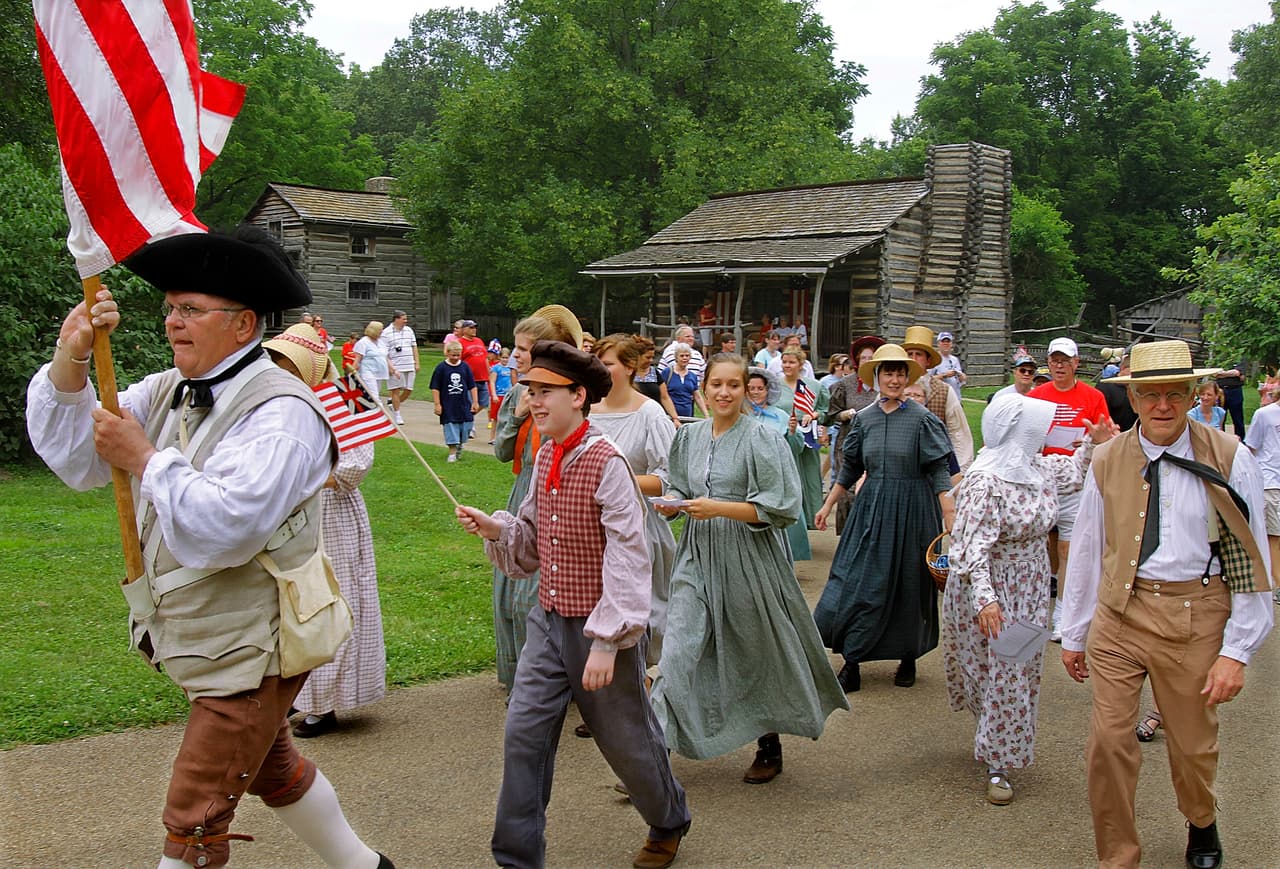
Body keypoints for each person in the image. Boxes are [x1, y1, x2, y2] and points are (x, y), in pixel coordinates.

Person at [25, 227, 392, 868]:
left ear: (244, 322)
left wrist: (144, 457)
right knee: (273, 769)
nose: (172, 323)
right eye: (170, 308)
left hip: (258, 646)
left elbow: (228, 526)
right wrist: (73, 354)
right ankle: (366, 867)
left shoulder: (286, 413)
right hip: (216, 634)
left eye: (191, 310)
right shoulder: (167, 389)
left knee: (195, 810)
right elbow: (80, 458)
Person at [455, 340, 692, 869]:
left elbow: (630, 558)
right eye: (531, 392)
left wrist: (608, 643)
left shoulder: (607, 463)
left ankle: (668, 818)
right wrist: (498, 528)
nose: (534, 403)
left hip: (601, 629)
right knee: (522, 735)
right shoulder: (545, 457)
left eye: (546, 393)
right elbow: (535, 541)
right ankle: (516, 858)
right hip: (548, 621)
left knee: (627, 741)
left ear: (579, 396)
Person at [1059, 340, 1274, 869]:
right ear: (1132, 398)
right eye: (1149, 394)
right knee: (1108, 743)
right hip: (1120, 618)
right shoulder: (1107, 459)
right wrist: (1074, 629)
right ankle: (1118, 857)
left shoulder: (1230, 456)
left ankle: (1201, 820)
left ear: (1194, 394)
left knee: (1192, 748)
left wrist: (1237, 651)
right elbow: (1088, 545)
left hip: (1195, 615)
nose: (1162, 405)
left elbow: (1252, 561)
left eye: (1174, 394)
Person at [651, 354, 848, 784]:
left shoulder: (763, 438)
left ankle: (768, 741)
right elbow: (681, 488)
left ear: (745, 390)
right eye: (716, 385)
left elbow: (780, 508)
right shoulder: (690, 437)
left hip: (749, 558)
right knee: (678, 652)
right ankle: (652, 757)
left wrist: (716, 507)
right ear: (704, 388)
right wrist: (670, 506)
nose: (724, 393)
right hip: (697, 556)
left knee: (755, 651)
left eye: (733, 386)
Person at [943, 394, 1113, 806]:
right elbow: (969, 549)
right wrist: (986, 601)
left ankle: (998, 751)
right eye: (1038, 427)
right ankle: (997, 759)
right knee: (994, 670)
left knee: (1016, 672)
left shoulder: (1036, 466)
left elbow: (1074, 473)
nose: (1045, 433)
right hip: (989, 587)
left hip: (1032, 583)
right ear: (1019, 432)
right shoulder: (985, 480)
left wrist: (1096, 443)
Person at [263, 325, 386, 740]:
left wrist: (301, 476)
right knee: (295, 600)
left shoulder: (346, 394)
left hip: (332, 514)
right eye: (277, 363)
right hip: (288, 517)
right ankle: (301, 692)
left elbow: (356, 464)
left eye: (288, 364)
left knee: (336, 598)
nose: (281, 370)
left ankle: (328, 700)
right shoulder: (278, 402)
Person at [813, 343, 956, 693]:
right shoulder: (864, 419)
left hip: (914, 510)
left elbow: (939, 470)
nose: (894, 378)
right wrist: (828, 504)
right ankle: (853, 661)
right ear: (876, 377)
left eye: (900, 372)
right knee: (858, 580)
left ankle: (908, 656)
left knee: (909, 584)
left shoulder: (923, 420)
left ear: (908, 377)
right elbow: (850, 469)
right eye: (887, 372)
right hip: (872, 507)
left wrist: (950, 515)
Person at [491, 306, 583, 693]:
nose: (516, 355)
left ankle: (544, 682)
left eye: (524, 349)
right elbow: (500, 451)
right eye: (516, 347)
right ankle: (516, 676)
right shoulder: (518, 392)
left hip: (554, 499)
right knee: (507, 589)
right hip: (522, 493)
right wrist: (518, 412)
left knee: (537, 595)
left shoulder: (567, 394)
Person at [591, 333, 678, 663]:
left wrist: (615, 480)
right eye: (597, 362)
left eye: (608, 363)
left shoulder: (650, 414)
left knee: (637, 614)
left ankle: (640, 691)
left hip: (638, 528)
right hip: (591, 529)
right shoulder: (585, 411)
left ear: (630, 367)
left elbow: (668, 479)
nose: (600, 368)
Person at [1028, 336, 1110, 641]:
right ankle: (1036, 611)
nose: (1059, 366)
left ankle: (1063, 615)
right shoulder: (1037, 395)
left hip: (1077, 481)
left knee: (1069, 548)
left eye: (1065, 360)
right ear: (1048, 363)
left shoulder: (1092, 396)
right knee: (1041, 547)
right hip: (1043, 480)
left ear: (1077, 363)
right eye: (1054, 360)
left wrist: (1088, 441)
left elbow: (1105, 432)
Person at [746, 366, 813, 561]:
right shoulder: (741, 414)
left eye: (760, 388)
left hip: (777, 475)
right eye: (751, 388)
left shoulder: (781, 416)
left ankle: (785, 557)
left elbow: (796, 449)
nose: (756, 392)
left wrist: (792, 433)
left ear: (768, 390)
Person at [824, 336, 885, 533]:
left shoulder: (885, 384)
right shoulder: (844, 385)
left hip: (877, 444)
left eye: (872, 358)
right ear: (857, 360)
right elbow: (831, 415)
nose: (868, 361)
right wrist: (846, 414)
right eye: (864, 358)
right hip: (848, 443)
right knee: (847, 490)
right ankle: (848, 535)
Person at [902, 325, 974, 468]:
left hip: (934, 466)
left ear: (928, 361)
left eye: (919, 354)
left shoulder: (944, 390)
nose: (914, 358)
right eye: (910, 354)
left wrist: (960, 470)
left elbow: (958, 433)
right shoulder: (894, 387)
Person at [774, 346, 827, 529]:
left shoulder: (814, 386)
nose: (787, 365)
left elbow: (826, 410)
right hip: (783, 439)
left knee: (809, 480)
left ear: (801, 364)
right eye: (784, 362)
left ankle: (811, 520)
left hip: (806, 441)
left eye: (791, 362)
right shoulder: (775, 385)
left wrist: (813, 415)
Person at [430, 339, 479, 462]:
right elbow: (435, 387)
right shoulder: (441, 368)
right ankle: (452, 452)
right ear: (447, 353)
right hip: (448, 405)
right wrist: (437, 404)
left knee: (466, 427)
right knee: (451, 427)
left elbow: (472, 386)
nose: (456, 357)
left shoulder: (465, 367)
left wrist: (475, 401)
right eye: (453, 355)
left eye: (458, 355)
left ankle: (459, 445)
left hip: (463, 404)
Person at [379, 310, 418, 427]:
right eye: (403, 319)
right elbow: (383, 352)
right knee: (395, 390)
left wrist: (417, 362)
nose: (406, 321)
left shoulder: (409, 330)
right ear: (396, 319)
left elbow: (414, 346)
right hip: (396, 365)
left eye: (406, 319)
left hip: (409, 363)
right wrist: (389, 366)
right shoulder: (386, 333)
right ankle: (397, 414)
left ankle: (394, 404)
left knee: (409, 389)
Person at [659, 343, 708, 421]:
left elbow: (697, 396)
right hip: (669, 416)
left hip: (687, 416)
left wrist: (706, 415)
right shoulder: (667, 372)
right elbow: (662, 394)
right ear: (676, 357)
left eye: (687, 355)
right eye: (682, 356)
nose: (685, 358)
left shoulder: (692, 376)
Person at [455, 319, 491, 422]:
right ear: (464, 329)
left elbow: (485, 358)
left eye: (475, 327)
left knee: (484, 402)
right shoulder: (460, 342)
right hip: (469, 379)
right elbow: (458, 361)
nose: (474, 329)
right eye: (471, 327)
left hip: (482, 377)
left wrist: (488, 373)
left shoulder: (479, 341)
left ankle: (466, 417)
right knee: (469, 403)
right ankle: (469, 423)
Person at [352, 321, 390, 401]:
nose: (382, 332)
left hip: (379, 373)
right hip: (368, 373)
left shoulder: (380, 342)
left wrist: (393, 369)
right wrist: (352, 373)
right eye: (380, 329)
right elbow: (357, 360)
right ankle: (379, 411)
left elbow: (385, 357)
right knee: (374, 396)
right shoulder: (363, 342)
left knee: (373, 394)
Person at [1212, 357, 1247, 439]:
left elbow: (1237, 373)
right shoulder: (1219, 355)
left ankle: (1240, 441)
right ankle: (1221, 440)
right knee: (1219, 418)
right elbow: (1214, 373)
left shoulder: (1239, 356)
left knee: (1238, 419)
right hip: (1220, 391)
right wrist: (1230, 373)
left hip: (1235, 390)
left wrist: (1222, 373)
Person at [489, 346, 513, 445]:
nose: (505, 360)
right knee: (496, 418)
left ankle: (503, 437)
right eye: (503, 357)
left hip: (508, 395)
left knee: (507, 417)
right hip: (498, 395)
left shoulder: (511, 369)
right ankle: (492, 437)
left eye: (507, 358)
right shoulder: (496, 368)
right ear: (499, 357)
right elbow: (492, 382)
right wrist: (494, 395)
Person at [931, 331, 966, 398]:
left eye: (948, 341)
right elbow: (928, 380)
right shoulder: (934, 359)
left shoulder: (955, 360)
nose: (946, 343)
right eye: (943, 341)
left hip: (956, 397)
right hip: (940, 398)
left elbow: (962, 380)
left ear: (951, 344)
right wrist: (944, 375)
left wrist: (961, 376)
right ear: (938, 343)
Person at [631, 334, 663, 404]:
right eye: (648, 357)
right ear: (637, 356)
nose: (651, 360)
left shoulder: (654, 372)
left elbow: (665, 398)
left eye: (652, 357)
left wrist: (674, 415)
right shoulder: (628, 373)